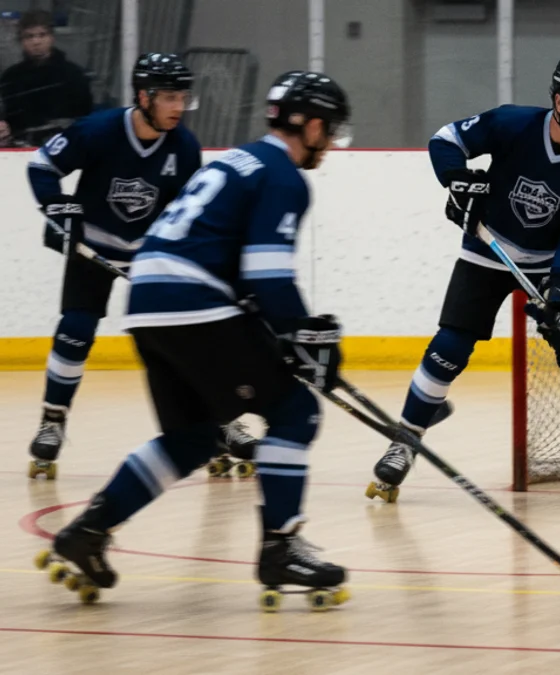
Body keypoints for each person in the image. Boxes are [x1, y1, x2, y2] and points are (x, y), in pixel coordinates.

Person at [35, 70, 354, 609]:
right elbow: (267, 273)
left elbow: (230, 264)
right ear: (314, 125)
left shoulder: (238, 158)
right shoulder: (284, 177)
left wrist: (282, 333)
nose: (331, 144)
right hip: (195, 303)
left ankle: (88, 531)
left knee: (192, 439)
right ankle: (280, 547)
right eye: (331, 131)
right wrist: (300, 334)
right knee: (297, 413)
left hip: (148, 304)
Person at [366, 54, 560, 503]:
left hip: (547, 265)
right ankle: (404, 441)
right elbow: (445, 140)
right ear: (559, 101)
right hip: (487, 249)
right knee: (449, 348)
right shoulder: (511, 124)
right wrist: (459, 181)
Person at [24, 53, 232, 481]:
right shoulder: (98, 130)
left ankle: (216, 426)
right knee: (76, 331)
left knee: (185, 342)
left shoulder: (185, 147)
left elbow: (186, 211)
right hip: (93, 249)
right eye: (170, 96)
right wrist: (58, 208)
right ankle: (53, 420)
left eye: (183, 97)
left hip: (150, 258)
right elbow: (42, 165)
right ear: (144, 96)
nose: (179, 106)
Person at [0, 10, 92, 147]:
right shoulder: (11, 77)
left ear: (52, 37)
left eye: (42, 35)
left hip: (64, 146)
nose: (36, 42)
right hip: (19, 147)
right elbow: (7, 116)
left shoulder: (73, 74)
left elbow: (85, 117)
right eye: (29, 36)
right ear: (21, 41)